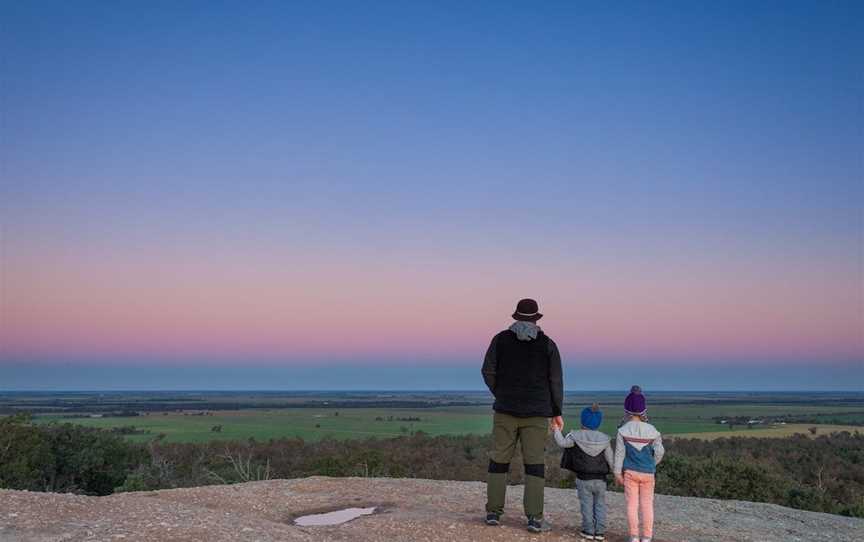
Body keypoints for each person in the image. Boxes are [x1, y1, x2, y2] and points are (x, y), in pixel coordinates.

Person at [481, 298, 564, 533]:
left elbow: (487, 371)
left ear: (516, 317)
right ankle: (534, 518)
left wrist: (501, 392)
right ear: (536, 319)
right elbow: (555, 381)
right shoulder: (548, 345)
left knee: (499, 461)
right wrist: (556, 411)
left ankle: (493, 513)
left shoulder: (500, 340)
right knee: (535, 465)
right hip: (537, 413)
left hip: (505, 410)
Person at [553, 404, 613, 540]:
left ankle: (588, 530)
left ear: (582, 420)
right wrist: (618, 474)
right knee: (600, 504)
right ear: (599, 422)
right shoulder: (605, 439)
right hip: (601, 480)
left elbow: (562, 443)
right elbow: (611, 460)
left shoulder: (575, 436)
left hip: (583, 479)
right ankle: (599, 532)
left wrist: (556, 429)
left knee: (586, 504)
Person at [613, 386, 665, 542]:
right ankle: (647, 537)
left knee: (632, 504)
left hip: (630, 473)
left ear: (626, 410)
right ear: (644, 409)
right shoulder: (653, 431)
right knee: (647, 505)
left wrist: (617, 472)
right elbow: (660, 452)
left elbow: (619, 454)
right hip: (648, 473)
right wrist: (652, 463)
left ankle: (634, 537)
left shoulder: (622, 430)